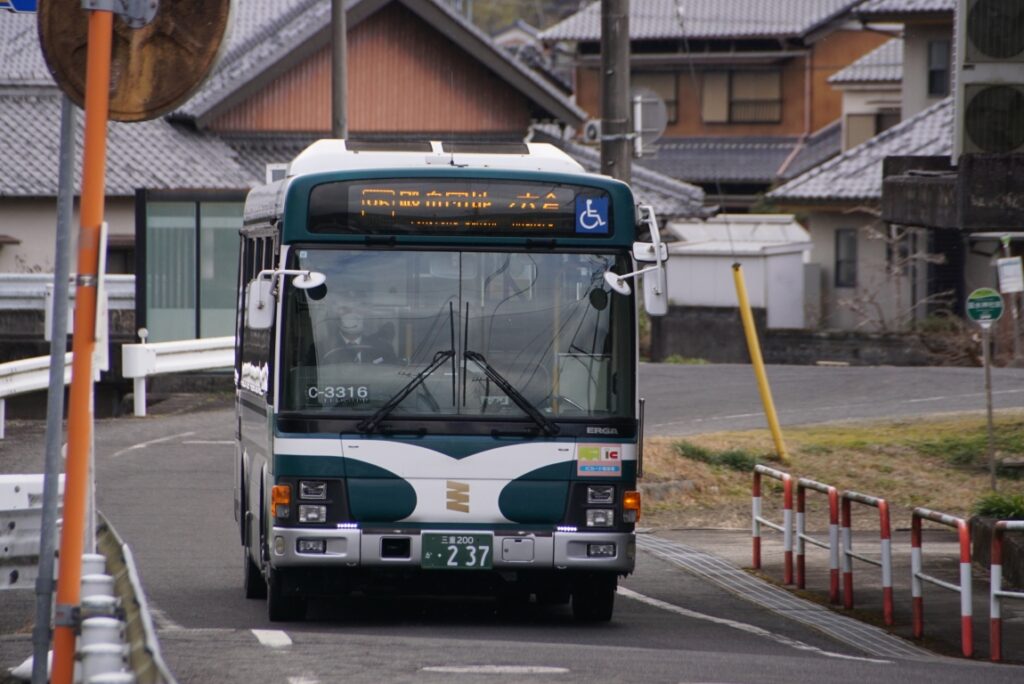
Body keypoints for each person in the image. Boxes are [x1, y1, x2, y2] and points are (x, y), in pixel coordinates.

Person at [322, 311, 397, 364]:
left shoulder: (383, 348)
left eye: (357, 312)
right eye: (346, 312)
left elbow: (394, 371)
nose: (351, 318)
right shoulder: (322, 349)